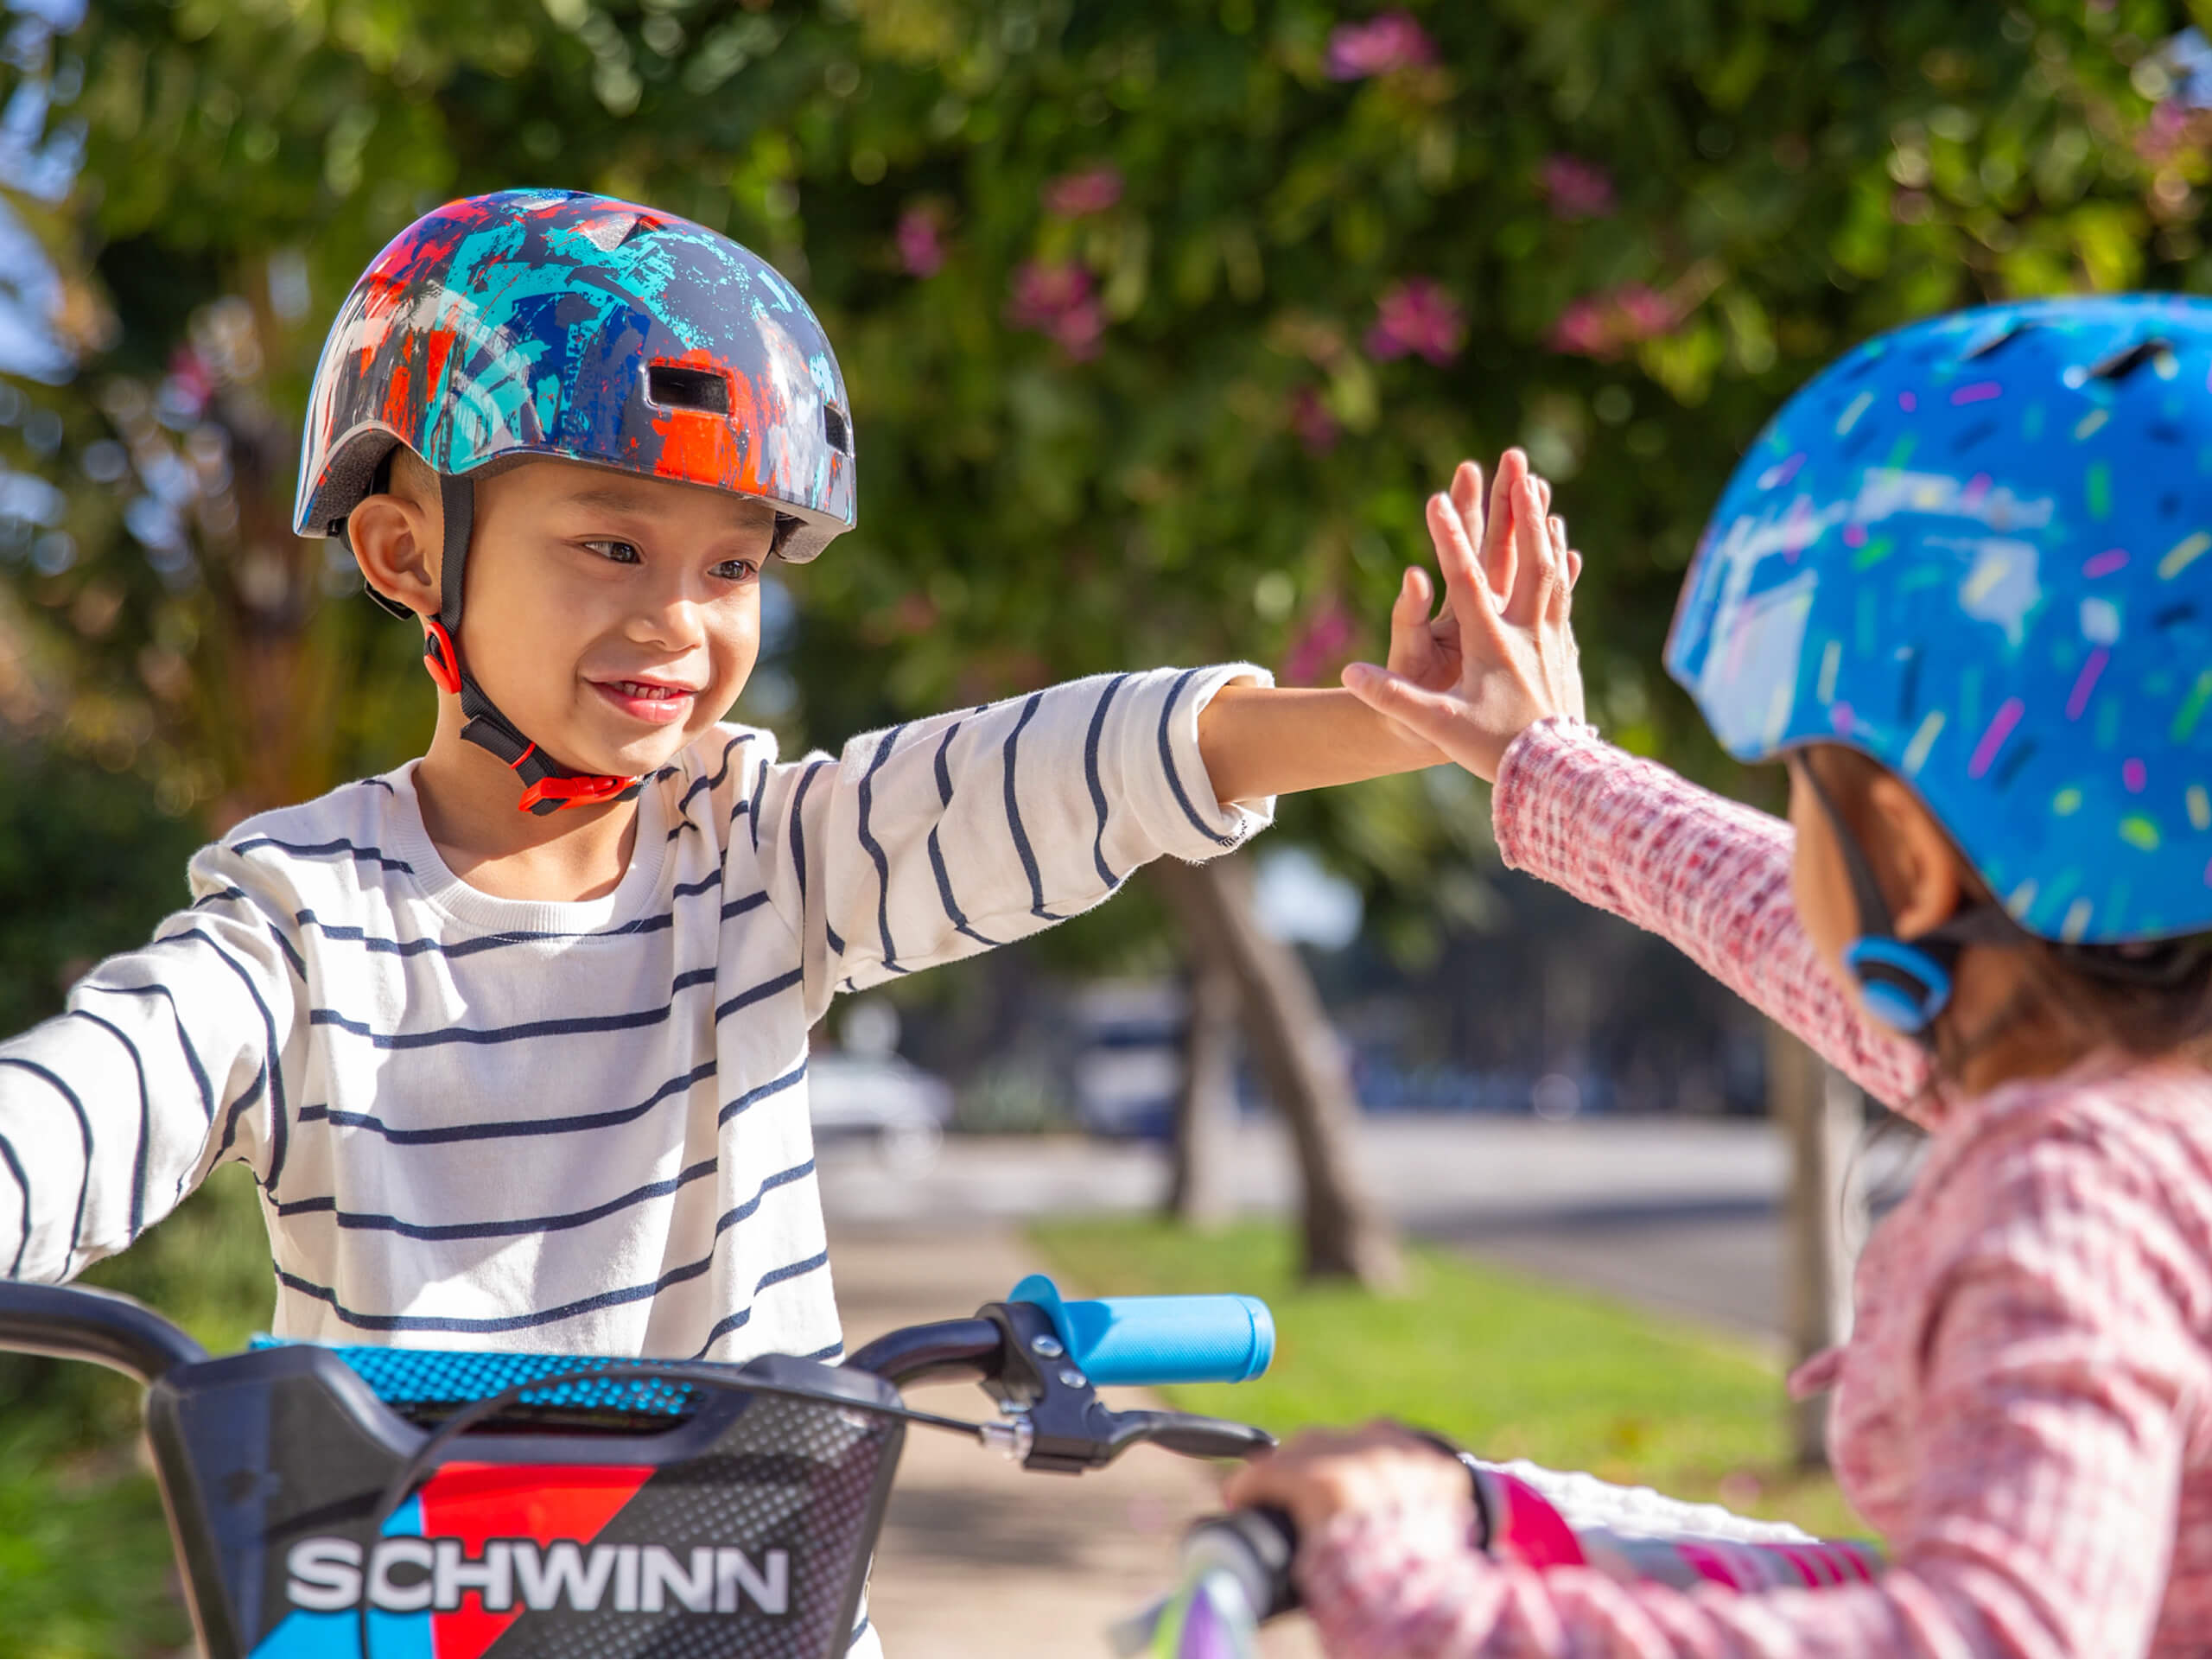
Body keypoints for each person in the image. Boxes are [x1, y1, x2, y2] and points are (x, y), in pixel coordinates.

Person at [0, 189, 1449, 1369]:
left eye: (735, 565)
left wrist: (1398, 725)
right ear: (406, 556)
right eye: (611, 546)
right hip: (407, 1591)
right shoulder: (307, 916)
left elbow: (1050, 777)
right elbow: (108, 1086)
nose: (679, 621)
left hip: (755, 1586)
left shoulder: (760, 853)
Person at [1230, 297, 2212, 1655]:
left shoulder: (2077, 1186)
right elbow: (1802, 938)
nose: (1790, 829)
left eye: (1802, 784)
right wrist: (1549, 763)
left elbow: (1994, 1634)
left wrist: (1424, 1598)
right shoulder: (2159, 1112)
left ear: (1914, 869)